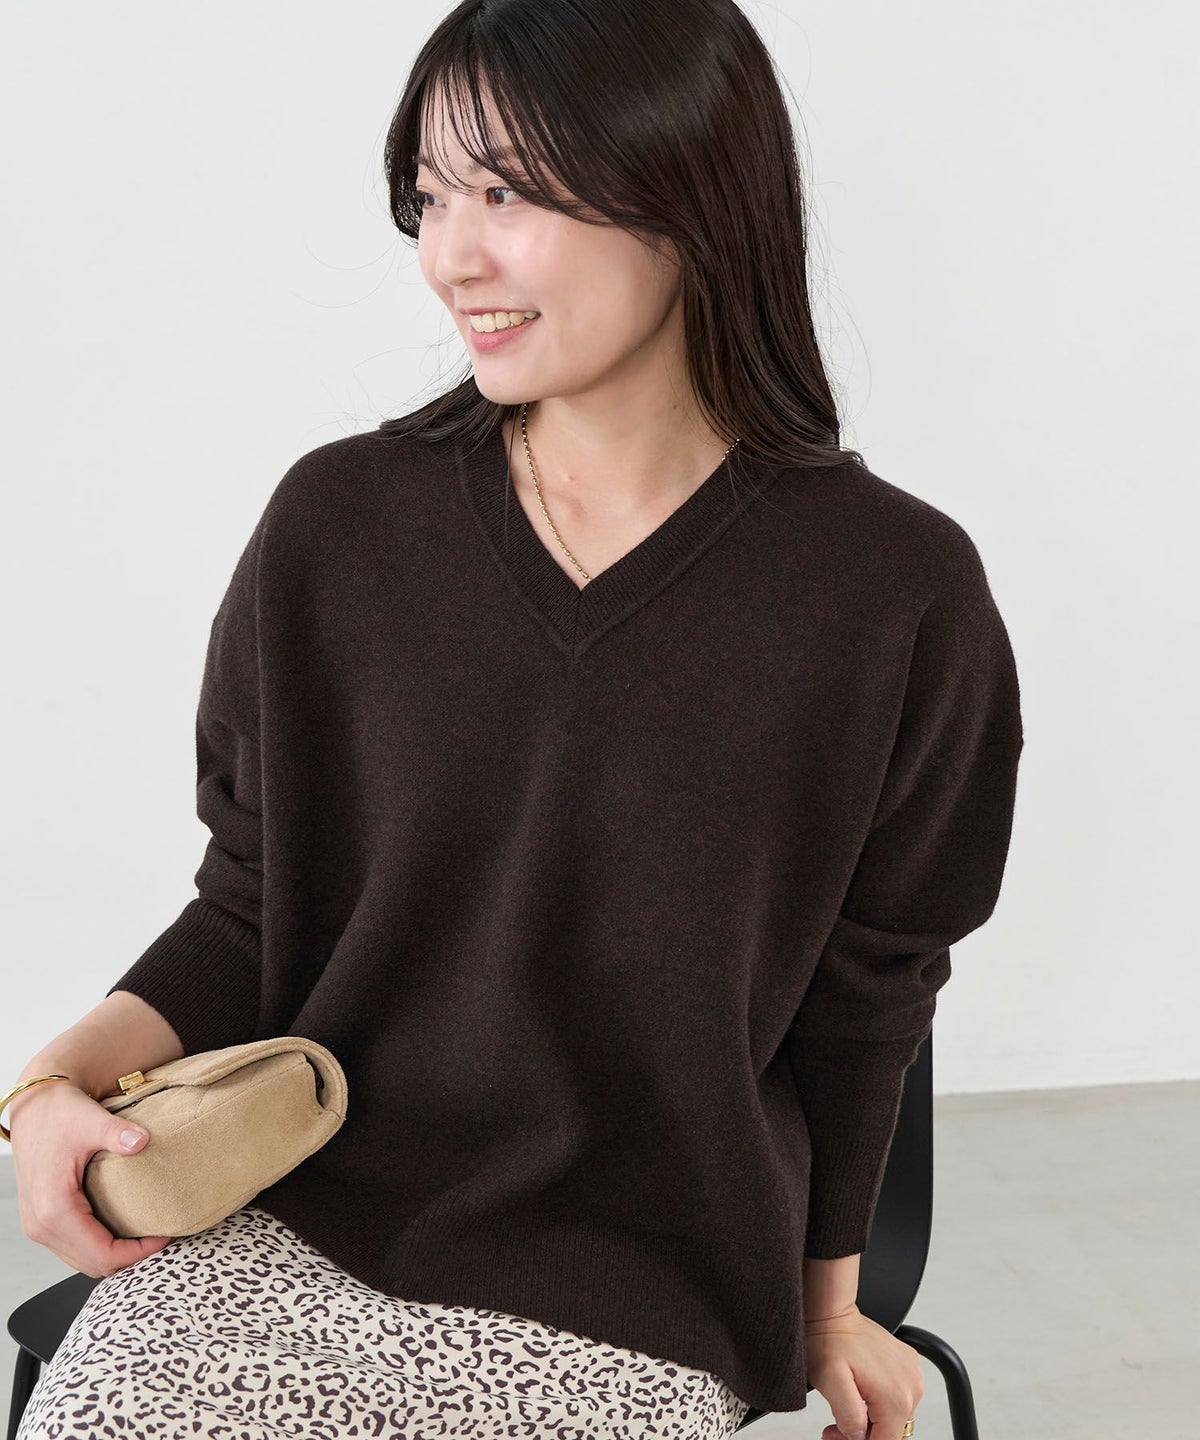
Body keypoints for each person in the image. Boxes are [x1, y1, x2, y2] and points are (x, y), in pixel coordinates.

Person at [4, 2, 1024, 1437]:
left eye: (507, 192)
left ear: (688, 194)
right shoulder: (339, 527)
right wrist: (50, 1085)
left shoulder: (892, 591)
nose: (450, 256)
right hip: (299, 1216)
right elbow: (254, 907)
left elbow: (868, 996)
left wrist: (826, 1306)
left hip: (647, 1271)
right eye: (430, 196)